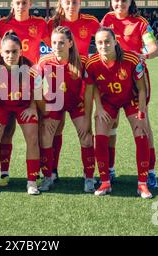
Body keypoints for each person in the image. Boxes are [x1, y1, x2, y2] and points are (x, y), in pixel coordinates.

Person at [101, 0, 158, 189]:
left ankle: (150, 172)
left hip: (135, 80)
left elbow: (154, 48)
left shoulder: (140, 23)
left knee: (143, 125)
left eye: (123, 0)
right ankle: (109, 168)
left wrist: (145, 55)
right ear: (111, 2)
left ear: (130, 1)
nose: (119, 4)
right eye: (116, 1)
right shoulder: (107, 20)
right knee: (111, 123)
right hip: (110, 77)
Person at [84, 27, 153, 199]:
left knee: (141, 132)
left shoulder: (130, 59)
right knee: (99, 134)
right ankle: (105, 181)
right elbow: (92, 88)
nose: (104, 45)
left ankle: (142, 184)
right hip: (108, 102)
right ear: (96, 44)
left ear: (115, 42)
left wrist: (142, 114)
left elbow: (142, 89)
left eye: (107, 41)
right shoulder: (92, 63)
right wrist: (98, 107)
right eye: (100, 42)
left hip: (131, 99)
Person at [0, 0, 49, 186]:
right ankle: (4, 173)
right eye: (17, 3)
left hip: (32, 84)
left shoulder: (40, 24)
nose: (20, 6)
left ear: (30, 4)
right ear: (12, 4)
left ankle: (44, 172)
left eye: (24, 2)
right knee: (7, 129)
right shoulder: (2, 25)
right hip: (6, 84)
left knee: (37, 130)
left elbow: (52, 45)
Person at [47, 0, 100, 181]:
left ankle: (91, 175)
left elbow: (106, 40)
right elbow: (46, 50)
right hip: (58, 84)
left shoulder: (91, 21)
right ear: (61, 3)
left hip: (82, 82)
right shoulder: (53, 23)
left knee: (86, 129)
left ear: (80, 3)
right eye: (67, 2)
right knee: (55, 129)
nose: (71, 6)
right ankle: (52, 171)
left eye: (74, 2)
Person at [0, 31, 40, 195]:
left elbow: (38, 87)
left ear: (21, 51)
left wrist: (33, 107)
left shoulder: (29, 67)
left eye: (15, 51)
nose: (11, 55)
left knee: (33, 137)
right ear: (0, 52)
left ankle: (32, 182)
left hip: (23, 105)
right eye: (7, 51)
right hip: (1, 105)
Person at [37, 26, 95, 192]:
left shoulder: (82, 61)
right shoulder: (44, 61)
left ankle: (89, 177)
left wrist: (88, 116)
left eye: (61, 42)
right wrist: (44, 111)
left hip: (76, 103)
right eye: (54, 42)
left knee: (86, 136)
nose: (57, 46)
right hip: (54, 102)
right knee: (46, 136)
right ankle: (48, 177)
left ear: (70, 43)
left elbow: (90, 89)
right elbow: (35, 87)